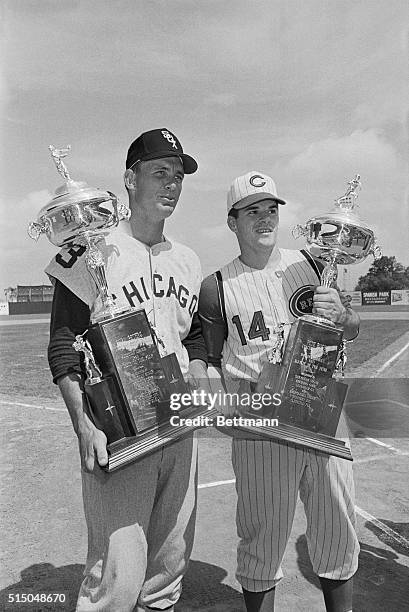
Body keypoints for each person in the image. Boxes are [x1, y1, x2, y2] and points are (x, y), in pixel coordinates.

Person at [46, 128, 208, 612]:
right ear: (129, 179)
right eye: (159, 172)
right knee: (116, 574)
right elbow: (62, 347)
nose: (172, 184)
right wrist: (83, 425)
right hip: (117, 427)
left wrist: (197, 371)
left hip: (179, 424)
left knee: (168, 563)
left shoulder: (188, 259)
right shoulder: (88, 251)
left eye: (178, 176)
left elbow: (195, 334)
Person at [199, 171, 360, 612]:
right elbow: (208, 359)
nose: (265, 218)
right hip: (262, 424)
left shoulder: (311, 264)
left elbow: (352, 329)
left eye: (271, 209)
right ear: (233, 222)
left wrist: (343, 317)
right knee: (262, 536)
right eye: (253, 211)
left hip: (324, 416)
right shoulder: (216, 287)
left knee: (337, 529)